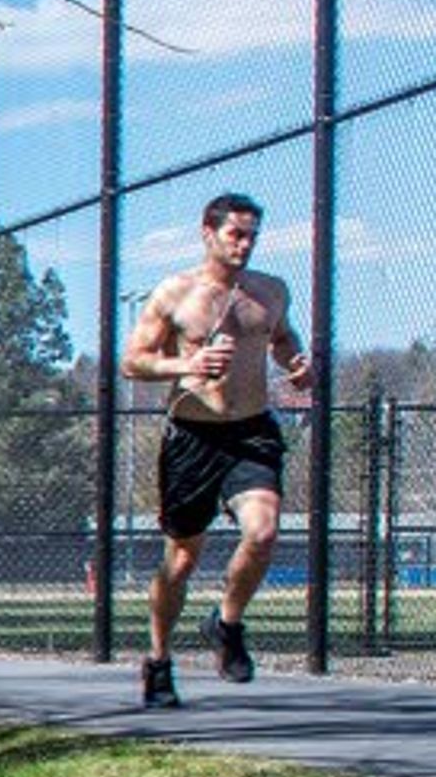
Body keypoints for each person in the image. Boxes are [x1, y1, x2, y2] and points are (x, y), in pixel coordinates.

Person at [117, 191, 314, 707]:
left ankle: (226, 624)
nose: (245, 245)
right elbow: (133, 361)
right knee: (182, 559)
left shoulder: (270, 292)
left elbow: (283, 339)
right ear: (209, 234)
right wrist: (187, 366)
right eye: (236, 235)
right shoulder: (176, 293)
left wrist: (297, 364)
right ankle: (158, 661)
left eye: (252, 236)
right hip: (192, 437)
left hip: (250, 432)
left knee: (264, 530)